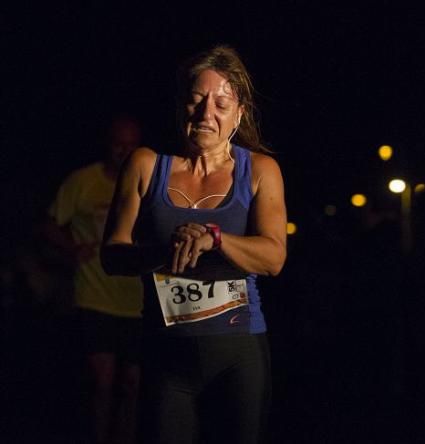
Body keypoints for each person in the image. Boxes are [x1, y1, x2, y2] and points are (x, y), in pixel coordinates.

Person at [101, 45, 287, 444]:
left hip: (237, 355)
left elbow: (274, 258)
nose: (207, 115)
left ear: (239, 114)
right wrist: (165, 249)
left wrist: (215, 239)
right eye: (197, 100)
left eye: (221, 104)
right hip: (166, 358)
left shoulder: (259, 170)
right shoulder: (146, 164)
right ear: (180, 105)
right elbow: (112, 255)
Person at [44, 115, 143, 444]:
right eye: (118, 144)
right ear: (107, 143)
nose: (123, 152)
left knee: (132, 383)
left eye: (131, 146)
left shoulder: (145, 184)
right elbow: (49, 224)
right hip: (95, 297)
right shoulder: (83, 181)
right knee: (102, 382)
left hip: (137, 302)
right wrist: (72, 248)